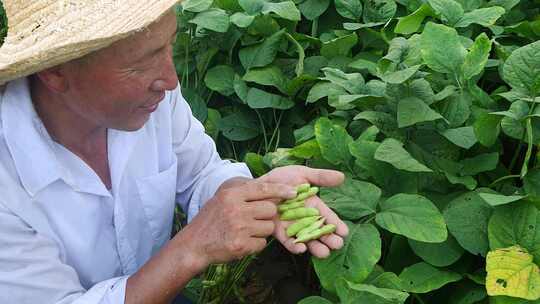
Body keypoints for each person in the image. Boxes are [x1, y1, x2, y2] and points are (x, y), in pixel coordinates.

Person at [0, 1, 349, 304]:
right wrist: (192, 248)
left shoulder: (146, 102)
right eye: (140, 64)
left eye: (170, 45)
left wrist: (253, 196)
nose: (170, 80)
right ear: (55, 72)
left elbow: (200, 172)